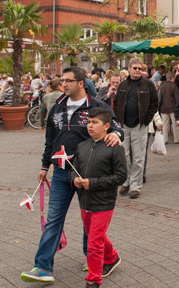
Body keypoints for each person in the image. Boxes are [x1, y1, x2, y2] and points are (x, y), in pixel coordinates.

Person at [21, 67, 123, 283]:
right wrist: (44, 166)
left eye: (68, 81)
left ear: (81, 83)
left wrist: (115, 134)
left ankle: (92, 258)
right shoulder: (57, 106)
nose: (64, 84)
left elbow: (115, 126)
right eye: (62, 81)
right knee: (54, 219)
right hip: (60, 173)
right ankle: (42, 267)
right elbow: (50, 140)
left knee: (89, 219)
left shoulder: (97, 105)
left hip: (88, 174)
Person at [71, 107, 127, 286]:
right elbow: (73, 169)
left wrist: (93, 183)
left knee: (94, 242)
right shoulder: (82, 146)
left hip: (104, 202)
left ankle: (93, 281)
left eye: (95, 122)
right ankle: (112, 257)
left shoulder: (114, 147)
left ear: (107, 126)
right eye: (89, 122)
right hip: (85, 201)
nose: (90, 126)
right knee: (95, 234)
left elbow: (120, 176)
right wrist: (75, 180)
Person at [112, 57, 159, 199]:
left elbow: (154, 103)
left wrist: (147, 119)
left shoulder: (148, 85)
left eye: (140, 68)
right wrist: (118, 118)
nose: (137, 70)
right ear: (129, 69)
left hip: (140, 125)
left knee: (138, 158)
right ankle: (126, 181)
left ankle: (136, 186)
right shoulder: (123, 85)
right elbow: (116, 103)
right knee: (124, 156)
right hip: (124, 125)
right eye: (135, 68)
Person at [159, 72, 179, 144]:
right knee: (175, 124)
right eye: (174, 78)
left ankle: (165, 139)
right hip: (173, 108)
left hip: (163, 108)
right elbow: (177, 98)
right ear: (172, 78)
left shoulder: (161, 86)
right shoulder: (174, 86)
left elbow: (159, 98)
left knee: (165, 125)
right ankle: (176, 139)